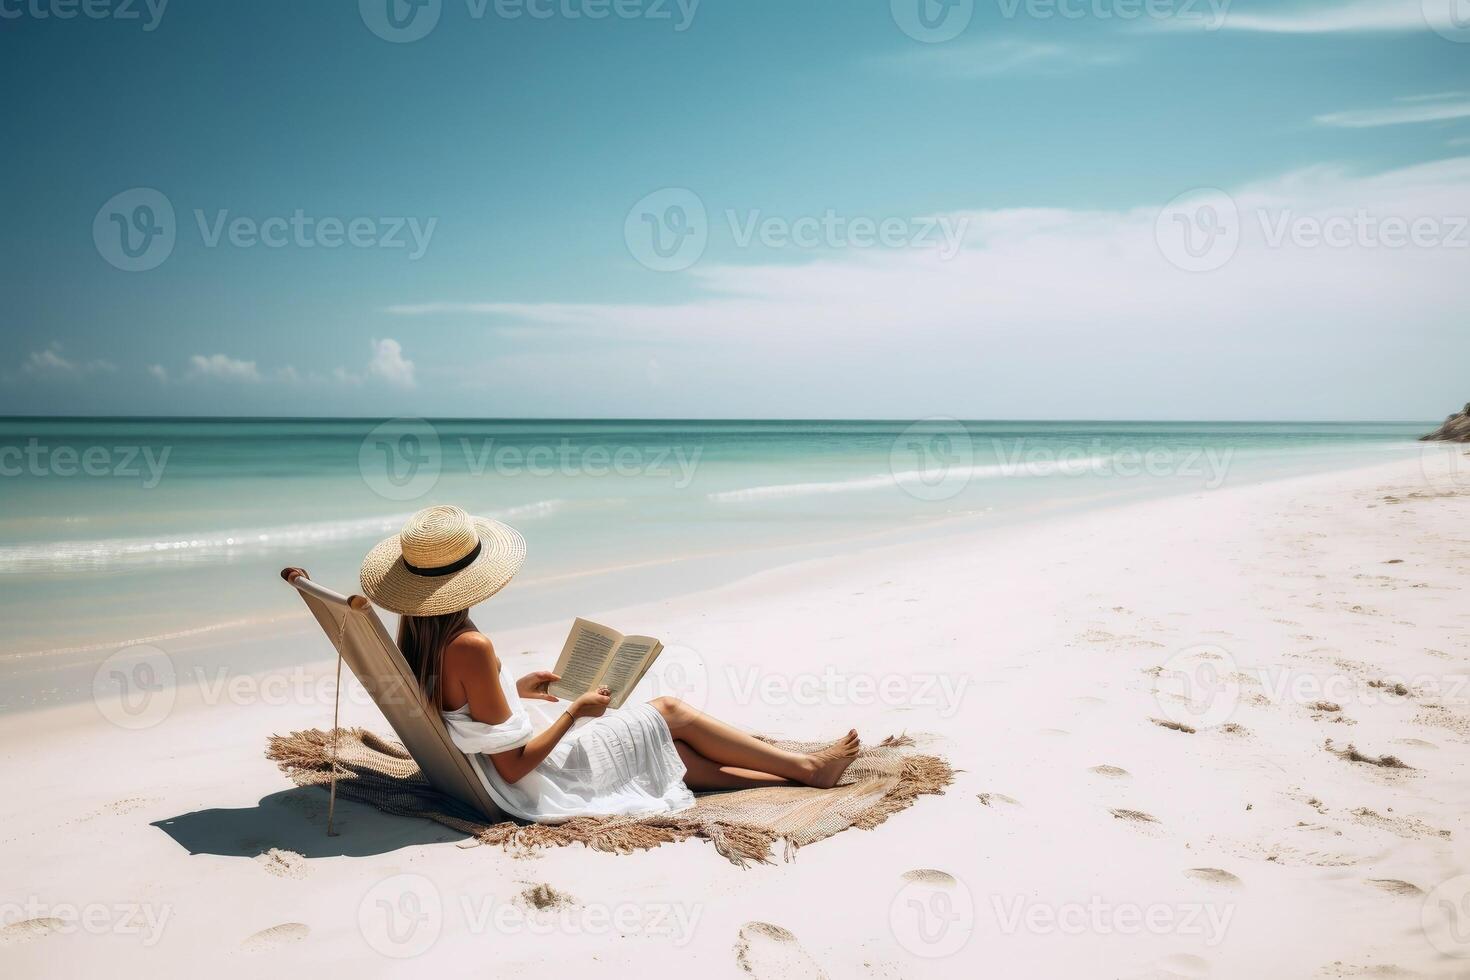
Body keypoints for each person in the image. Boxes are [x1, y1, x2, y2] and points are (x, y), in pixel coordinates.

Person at [360, 505, 861, 823]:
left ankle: (795, 777)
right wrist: (574, 713)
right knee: (668, 710)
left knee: (673, 758)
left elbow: (460, 709)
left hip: (484, 777)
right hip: (531, 786)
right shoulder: (471, 645)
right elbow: (512, 768)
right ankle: (806, 767)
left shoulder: (416, 639)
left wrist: (516, 689)